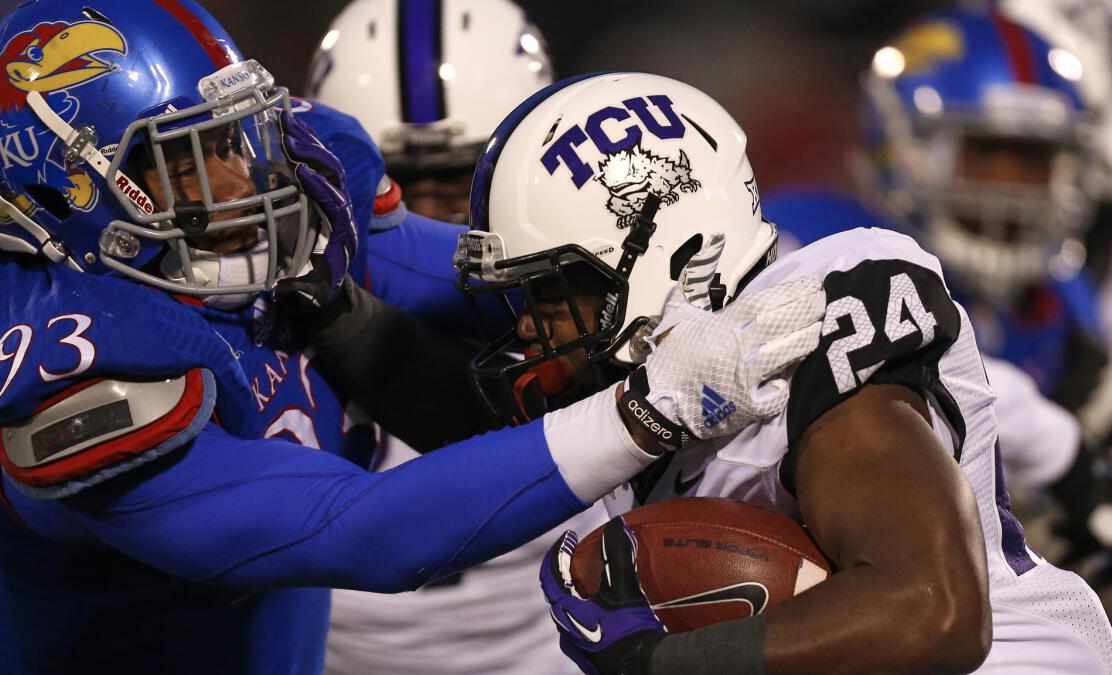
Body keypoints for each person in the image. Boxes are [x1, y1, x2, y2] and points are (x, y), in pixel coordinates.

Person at [0, 2, 823, 673]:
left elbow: (458, 276)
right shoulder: (71, 381)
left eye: (231, 134)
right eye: (185, 159)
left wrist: (668, 295)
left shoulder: (243, 215)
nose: (245, 170)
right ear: (66, 193)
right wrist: (644, 410)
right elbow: (358, 528)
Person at [451, 70, 1112, 672]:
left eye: (552, 290)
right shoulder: (661, 391)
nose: (532, 326)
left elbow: (935, 611)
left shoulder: (808, 345)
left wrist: (665, 664)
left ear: (667, 256)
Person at [767, 6, 1112, 576]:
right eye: (987, 156)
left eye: (1033, 162)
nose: (1011, 191)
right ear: (908, 152)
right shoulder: (819, 238)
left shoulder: (1060, 302)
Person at [308, 1, 597, 672]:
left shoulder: (610, 303)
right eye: (392, 186)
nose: (429, 219)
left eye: (466, 177)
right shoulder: (272, 309)